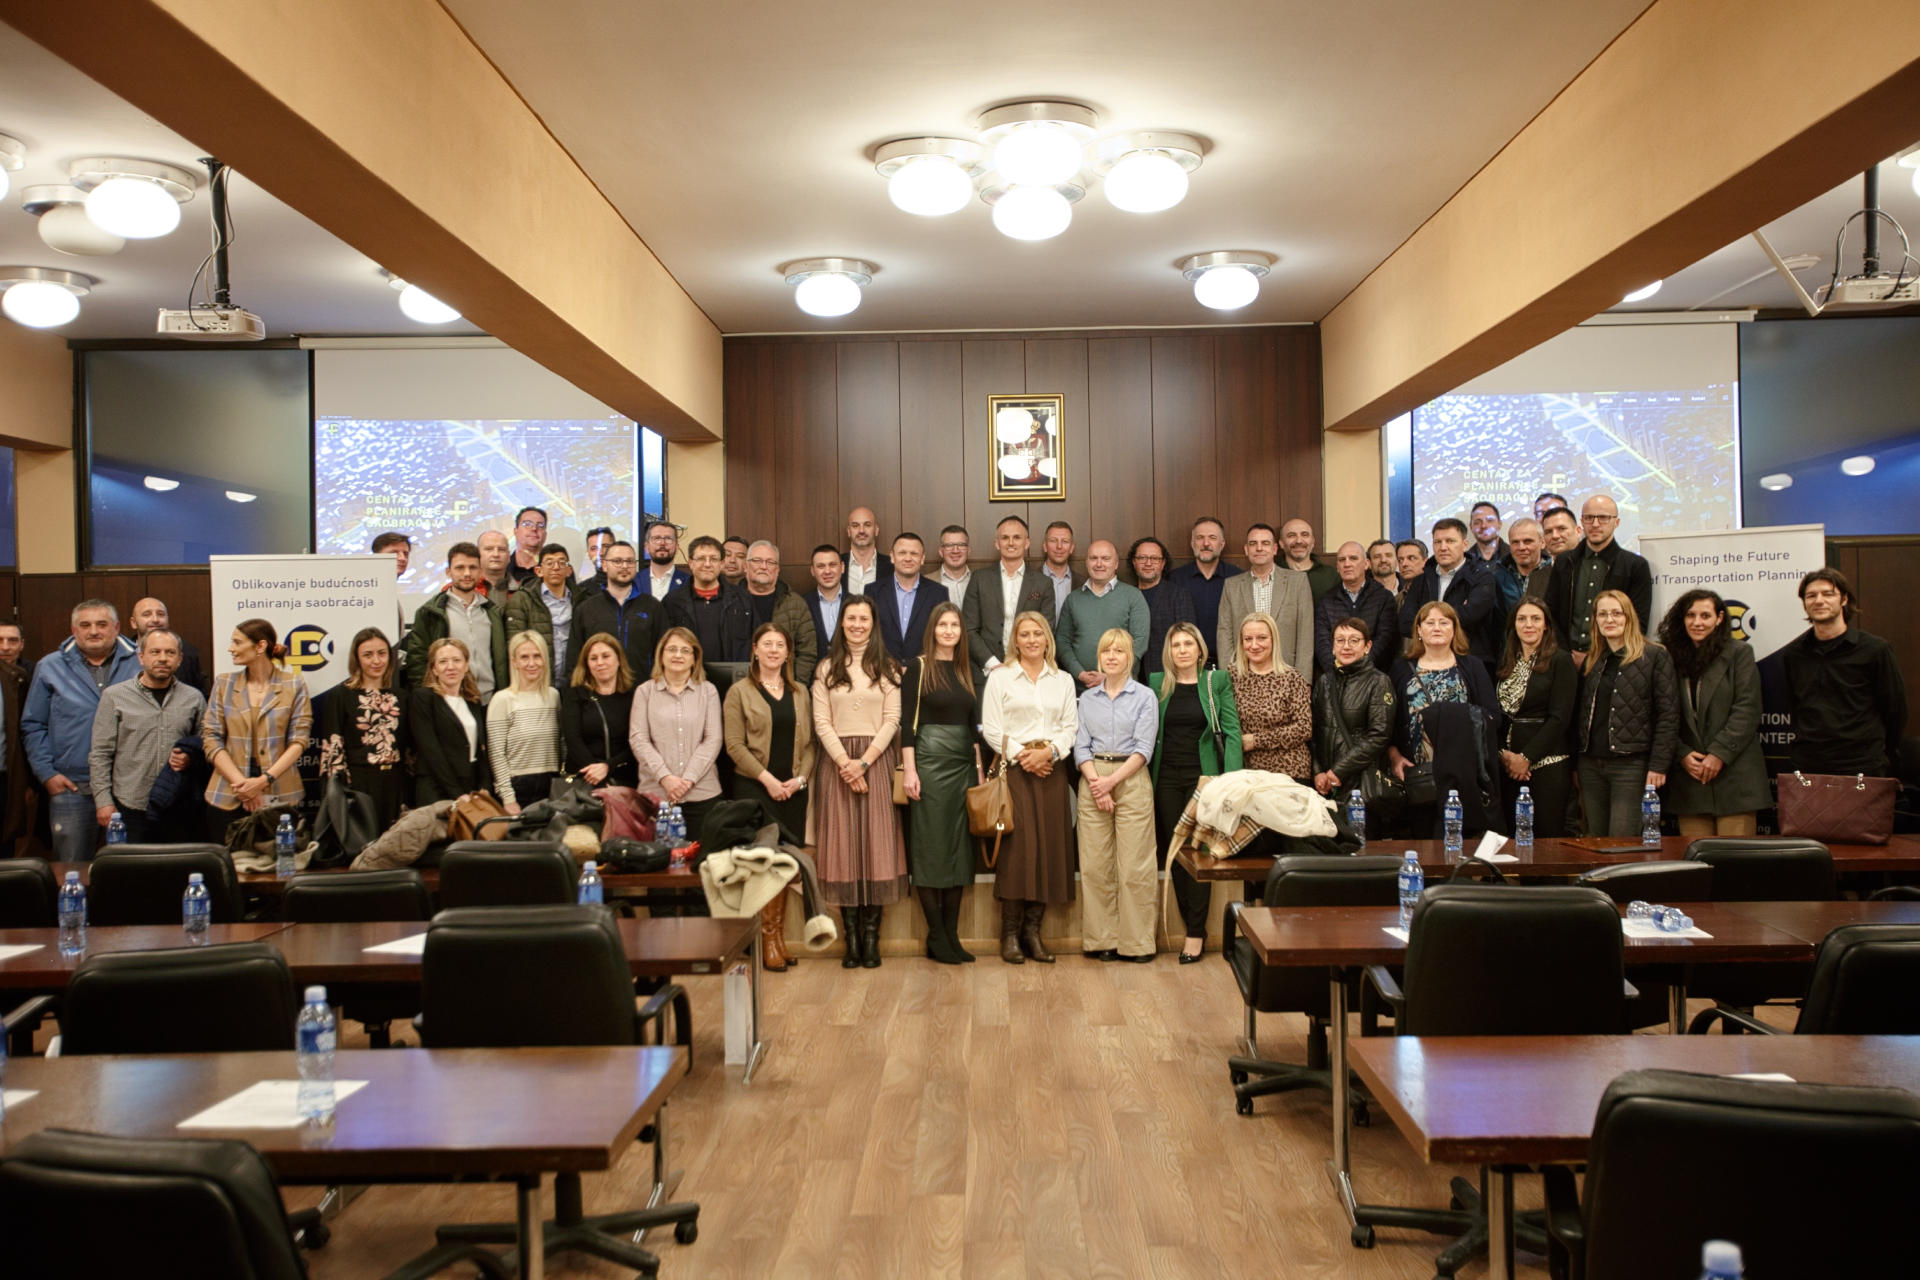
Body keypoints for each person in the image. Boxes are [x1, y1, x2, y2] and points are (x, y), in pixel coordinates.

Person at [810, 597, 907, 968]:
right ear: (842, 623)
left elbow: (892, 720)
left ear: (873, 623)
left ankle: (871, 938)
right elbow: (822, 723)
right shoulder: (826, 668)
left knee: (876, 846)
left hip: (876, 763)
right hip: (836, 766)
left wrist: (863, 762)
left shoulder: (888, 667)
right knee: (843, 850)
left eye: (863, 618)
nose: (857, 624)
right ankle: (850, 939)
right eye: (851, 618)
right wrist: (845, 764)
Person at [980, 610, 1079, 965]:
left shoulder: (1063, 680)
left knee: (1048, 850)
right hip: (1016, 773)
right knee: (1018, 852)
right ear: (1015, 641)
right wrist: (1024, 756)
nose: (1032, 640)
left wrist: (1049, 753)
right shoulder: (1001, 677)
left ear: (1047, 639)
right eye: (1025, 634)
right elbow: (991, 728)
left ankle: (1032, 933)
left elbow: (1070, 727)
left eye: (1038, 633)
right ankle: (1009, 934)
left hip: (1052, 770)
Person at [1150, 622, 1241, 962]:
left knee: (1200, 852)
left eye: (1189, 643)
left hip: (1205, 779)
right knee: (1177, 853)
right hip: (1166, 777)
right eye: (1176, 645)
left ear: (1200, 649)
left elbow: (1232, 732)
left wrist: (1230, 781)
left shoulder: (1216, 681)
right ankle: (1190, 922)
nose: (1183, 650)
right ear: (1169, 651)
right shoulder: (1157, 683)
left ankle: (1195, 933)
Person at [24, 600, 142, 861]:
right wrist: (47, 774)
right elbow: (33, 724)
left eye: (102, 624)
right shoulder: (50, 666)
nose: (94, 631)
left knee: (130, 869)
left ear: (117, 628)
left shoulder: (141, 661)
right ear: (73, 630)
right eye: (85, 625)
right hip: (72, 787)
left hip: (131, 786)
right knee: (72, 869)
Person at [898, 603, 978, 965]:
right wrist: (910, 771)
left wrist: (978, 770)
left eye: (954, 625)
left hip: (963, 766)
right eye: (942, 624)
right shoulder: (918, 667)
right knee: (930, 850)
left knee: (959, 851)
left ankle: (952, 935)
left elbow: (973, 727)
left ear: (961, 632)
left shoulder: (965, 669)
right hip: (929, 763)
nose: (948, 630)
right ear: (932, 629)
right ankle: (936, 935)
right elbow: (907, 724)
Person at [1074, 628, 1158, 963]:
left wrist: (1111, 783)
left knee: (1135, 866)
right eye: (1106, 650)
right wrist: (1098, 783)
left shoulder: (1145, 697)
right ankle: (1101, 940)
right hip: (1093, 777)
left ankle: (1137, 943)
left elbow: (1144, 748)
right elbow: (1081, 747)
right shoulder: (1087, 700)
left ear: (1130, 657)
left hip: (1131, 776)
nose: (1111, 656)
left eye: (1118, 651)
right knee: (1095, 866)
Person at [1386, 602, 1502, 839]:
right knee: (1423, 845)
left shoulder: (1472, 666)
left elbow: (1492, 716)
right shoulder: (1400, 669)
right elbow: (1387, 723)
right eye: (1429, 622)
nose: (1436, 628)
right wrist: (1394, 757)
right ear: (1418, 630)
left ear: (1454, 629)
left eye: (1444, 622)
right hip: (1419, 775)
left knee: (1461, 844)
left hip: (1464, 775)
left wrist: (1445, 716)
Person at [1659, 589, 1768, 837]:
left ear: (1719, 619)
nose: (1697, 622)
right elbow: (1662, 713)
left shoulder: (1739, 653)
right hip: (1690, 779)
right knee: (1696, 858)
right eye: (1691, 615)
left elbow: (1747, 709)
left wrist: (1718, 754)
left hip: (1735, 777)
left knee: (1735, 858)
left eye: (1705, 616)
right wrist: (1682, 754)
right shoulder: (1668, 657)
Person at [631, 628, 725, 917]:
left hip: (702, 795)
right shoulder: (645, 692)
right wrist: (666, 778)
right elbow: (638, 739)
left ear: (695, 658)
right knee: (660, 878)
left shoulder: (708, 691)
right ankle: (662, 939)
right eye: (672, 649)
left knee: (700, 877)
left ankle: (700, 940)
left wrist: (688, 780)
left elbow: (713, 739)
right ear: (661, 654)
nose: (678, 655)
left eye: (686, 650)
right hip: (657, 797)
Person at [1779, 568, 1906, 778]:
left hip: (1862, 763)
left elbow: (1895, 711)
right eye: (1811, 595)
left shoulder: (1875, 650)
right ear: (1804, 603)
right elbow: (1795, 706)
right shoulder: (1794, 654)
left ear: (1844, 599)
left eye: (1828, 594)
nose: (1819, 601)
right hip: (1809, 763)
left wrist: (1884, 753)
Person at [1576, 589, 1678, 837]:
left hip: (1631, 766)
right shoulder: (1593, 660)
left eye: (1616, 613)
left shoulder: (1654, 655)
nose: (1609, 619)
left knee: (1622, 841)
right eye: (1602, 614)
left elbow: (1668, 715)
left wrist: (1659, 765)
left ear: (1629, 617)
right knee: (1595, 840)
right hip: (1591, 765)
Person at [89, 628, 206, 844]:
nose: (163, 658)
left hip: (177, 806)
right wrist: (103, 802)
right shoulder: (114, 696)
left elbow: (205, 745)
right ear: (141, 657)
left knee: (177, 865)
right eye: (155, 652)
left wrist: (191, 758)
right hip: (130, 805)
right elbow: (100, 754)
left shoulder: (194, 698)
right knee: (133, 866)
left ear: (179, 659)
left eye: (170, 653)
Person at [203, 619, 313, 843]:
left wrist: (262, 782)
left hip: (279, 790)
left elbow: (299, 741)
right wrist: (243, 786)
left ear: (260, 646)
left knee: (278, 860)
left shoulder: (294, 685)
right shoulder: (224, 684)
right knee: (227, 862)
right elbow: (211, 738)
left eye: (237, 642)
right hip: (228, 791)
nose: (230, 648)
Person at [1494, 597, 1577, 839]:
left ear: (1546, 625)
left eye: (1535, 619)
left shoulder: (1560, 660)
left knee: (1546, 841)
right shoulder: (1506, 660)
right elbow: (1496, 714)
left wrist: (1526, 758)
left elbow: (1560, 718)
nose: (1528, 624)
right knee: (1514, 841)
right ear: (1514, 625)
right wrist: (1505, 755)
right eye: (1522, 619)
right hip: (1508, 766)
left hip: (1547, 765)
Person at [724, 621, 814, 841]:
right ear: (755, 649)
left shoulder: (801, 692)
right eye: (767, 644)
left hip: (793, 792)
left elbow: (810, 744)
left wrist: (801, 780)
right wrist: (769, 781)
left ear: (788, 653)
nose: (774, 650)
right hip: (754, 789)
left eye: (780, 645)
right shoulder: (739, 692)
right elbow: (734, 745)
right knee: (759, 856)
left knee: (792, 856)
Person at [1311, 617, 1395, 836]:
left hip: (1360, 784)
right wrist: (1318, 772)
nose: (1346, 646)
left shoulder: (1379, 682)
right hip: (1326, 786)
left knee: (1360, 847)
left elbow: (1379, 735)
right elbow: (1313, 733)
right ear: (1332, 647)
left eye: (1354, 640)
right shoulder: (1324, 682)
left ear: (1367, 646)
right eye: (1340, 640)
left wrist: (1338, 770)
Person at [1545, 494, 1654, 665]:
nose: (1595, 524)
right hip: (1566, 660)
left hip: (1612, 663)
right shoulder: (1565, 562)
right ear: (1582, 521)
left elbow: (1638, 623)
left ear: (1616, 522)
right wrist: (1565, 655)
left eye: (1603, 518)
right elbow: (1550, 613)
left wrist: (1598, 659)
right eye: (1589, 518)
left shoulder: (1634, 566)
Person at [318, 627, 408, 831]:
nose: (376, 661)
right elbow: (333, 748)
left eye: (382, 653)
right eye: (368, 655)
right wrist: (339, 791)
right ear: (357, 659)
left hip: (395, 784)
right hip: (357, 785)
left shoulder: (402, 696)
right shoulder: (340, 696)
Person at [404, 541, 508, 695]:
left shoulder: (492, 612)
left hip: (490, 700)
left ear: (480, 571)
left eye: (472, 567)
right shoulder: (430, 613)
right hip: (449, 700)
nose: (467, 573)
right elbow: (417, 661)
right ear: (448, 572)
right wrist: (429, 697)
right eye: (460, 568)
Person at [961, 515, 1056, 682]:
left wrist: (1022, 665)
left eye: (1017, 537)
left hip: (1028, 673)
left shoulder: (1043, 583)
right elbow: (969, 629)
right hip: (985, 673)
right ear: (997, 543)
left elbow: (1046, 629)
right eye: (1005, 538)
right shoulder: (979, 579)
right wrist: (992, 664)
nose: (1011, 543)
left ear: (1027, 543)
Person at [1398, 518, 1500, 664]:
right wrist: (1455, 614)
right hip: (1426, 660)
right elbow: (1405, 623)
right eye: (1437, 542)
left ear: (1465, 545)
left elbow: (1471, 616)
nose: (1443, 547)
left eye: (1450, 541)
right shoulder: (1421, 580)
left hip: (1469, 660)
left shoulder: (1482, 577)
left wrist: (1426, 621)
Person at [1217, 523, 1313, 672]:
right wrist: (1228, 676)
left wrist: (1303, 679)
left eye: (1265, 543)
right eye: (1253, 544)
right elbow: (1224, 634)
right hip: (1244, 674)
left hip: (1287, 673)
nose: (1259, 548)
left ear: (1274, 549)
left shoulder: (1298, 582)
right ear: (1246, 550)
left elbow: (1305, 635)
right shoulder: (1232, 586)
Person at [486, 630, 563, 815]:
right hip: (518, 787)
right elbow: (497, 754)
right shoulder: (502, 700)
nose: (531, 663)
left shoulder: (554, 696)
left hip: (552, 784)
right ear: (514, 662)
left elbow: (561, 744)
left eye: (537, 656)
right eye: (524, 657)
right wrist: (508, 798)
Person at [1055, 539, 1149, 689]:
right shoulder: (1073, 599)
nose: (1099, 564)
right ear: (1086, 562)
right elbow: (1062, 641)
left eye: (1106, 559)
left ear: (1116, 564)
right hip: (1080, 687)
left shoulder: (1133, 596)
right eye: (1094, 558)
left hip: (1121, 687)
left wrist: (1110, 676)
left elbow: (1140, 642)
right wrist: (1079, 673)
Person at [1231, 612, 1312, 780]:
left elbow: (1304, 728)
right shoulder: (1231, 677)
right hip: (1246, 772)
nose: (1254, 645)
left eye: (1261, 638)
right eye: (1248, 639)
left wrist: (1255, 740)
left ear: (1273, 640)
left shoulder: (1292, 678)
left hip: (1289, 769)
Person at [408, 637, 488, 805]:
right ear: (434, 669)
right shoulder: (423, 698)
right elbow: (431, 751)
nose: (450, 667)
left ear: (466, 666)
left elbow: (480, 749)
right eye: (443, 661)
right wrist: (457, 793)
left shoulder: (473, 701)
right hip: (436, 789)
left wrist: (484, 787)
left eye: (456, 660)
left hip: (470, 786)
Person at [567, 538, 659, 682]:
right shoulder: (586, 609)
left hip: (641, 690)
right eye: (617, 561)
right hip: (597, 690)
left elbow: (662, 654)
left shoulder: (652, 606)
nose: (624, 566)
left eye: (630, 561)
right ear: (604, 565)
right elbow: (574, 660)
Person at [562, 632, 639, 789]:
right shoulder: (575, 694)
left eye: (606, 656)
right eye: (593, 658)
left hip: (624, 779)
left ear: (619, 660)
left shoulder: (634, 695)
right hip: (584, 780)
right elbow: (573, 739)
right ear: (587, 664)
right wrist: (595, 772)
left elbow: (638, 741)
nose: (600, 663)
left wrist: (608, 767)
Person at [663, 535, 752, 662]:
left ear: (721, 564)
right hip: (686, 672)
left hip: (732, 673)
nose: (707, 564)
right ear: (691, 563)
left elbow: (755, 640)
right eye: (701, 558)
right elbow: (663, 645)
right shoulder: (672, 601)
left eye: (714, 559)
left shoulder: (742, 598)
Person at [1314, 540, 1398, 674]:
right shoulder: (1326, 601)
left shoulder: (1384, 598)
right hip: (1335, 676)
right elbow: (1322, 643)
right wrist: (1338, 671)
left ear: (1366, 564)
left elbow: (1385, 639)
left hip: (1374, 676)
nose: (1347, 564)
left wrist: (1360, 669)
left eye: (1353, 558)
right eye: (1342, 560)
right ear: (1337, 567)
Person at [742, 540, 819, 680]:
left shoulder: (795, 604)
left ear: (777, 570)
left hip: (785, 686)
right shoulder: (730, 602)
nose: (763, 566)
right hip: (741, 685)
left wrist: (793, 685)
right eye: (757, 561)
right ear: (745, 567)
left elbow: (807, 652)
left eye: (770, 562)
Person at [503, 542, 578, 684]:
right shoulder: (522, 600)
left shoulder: (580, 599)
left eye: (561, 563)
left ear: (569, 570)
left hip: (573, 682)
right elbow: (515, 647)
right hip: (537, 681)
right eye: (549, 563)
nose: (556, 567)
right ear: (539, 571)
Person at [1169, 516, 1241, 657]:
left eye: (1212, 538)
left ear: (1222, 544)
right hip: (1186, 660)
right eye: (1200, 538)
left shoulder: (1237, 578)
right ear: (1192, 543)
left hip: (1230, 660)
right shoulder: (1175, 579)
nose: (1206, 543)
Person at [864, 532, 940, 667]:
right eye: (902, 553)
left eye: (914, 554)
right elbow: (867, 634)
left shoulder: (938, 593)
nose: (908, 558)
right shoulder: (872, 591)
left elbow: (940, 637)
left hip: (924, 671)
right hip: (882, 670)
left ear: (922, 558)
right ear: (892, 557)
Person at [1128, 536, 1195, 680]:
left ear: (1163, 563)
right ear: (1134, 562)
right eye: (1142, 558)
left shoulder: (1178, 595)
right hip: (1130, 676)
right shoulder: (1126, 595)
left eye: (1154, 558)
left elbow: (1187, 639)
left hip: (1167, 676)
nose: (1148, 563)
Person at [128, 596, 207, 694]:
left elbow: (198, 694)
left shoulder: (187, 652)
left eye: (160, 614)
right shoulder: (122, 653)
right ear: (133, 623)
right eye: (147, 614)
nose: (155, 619)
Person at [802, 545, 849, 653]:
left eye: (832, 565)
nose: (827, 571)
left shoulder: (856, 603)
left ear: (842, 567)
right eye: (821, 566)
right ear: (812, 571)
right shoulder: (802, 604)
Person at [1500, 517, 1552, 610]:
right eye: (1515, 542)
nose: (1521, 547)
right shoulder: (1498, 577)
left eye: (1527, 541)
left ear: (1543, 543)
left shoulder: (1555, 573)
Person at [1280, 517, 1337, 601]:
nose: (1299, 541)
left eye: (1305, 535)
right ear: (1281, 543)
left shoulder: (1332, 575)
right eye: (1291, 535)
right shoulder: (1272, 575)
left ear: (1313, 542)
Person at [509, 506, 567, 589]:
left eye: (540, 525)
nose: (534, 528)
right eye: (527, 524)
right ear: (515, 531)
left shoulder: (561, 569)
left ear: (545, 535)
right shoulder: (501, 569)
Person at [372, 531, 413, 644]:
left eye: (405, 554)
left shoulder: (389, 591)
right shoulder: (368, 592)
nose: (402, 558)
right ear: (376, 557)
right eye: (394, 553)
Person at [842, 506, 891, 597]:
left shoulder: (892, 566)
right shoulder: (836, 565)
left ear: (876, 530)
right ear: (848, 531)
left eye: (867, 525)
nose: (861, 530)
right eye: (855, 525)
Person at [642, 520, 691, 601]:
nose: (662, 543)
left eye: (668, 539)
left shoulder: (689, 583)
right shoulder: (634, 582)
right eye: (656, 538)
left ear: (677, 547)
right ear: (647, 547)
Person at [1039, 521, 1077, 623]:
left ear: (1071, 548)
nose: (1059, 546)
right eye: (1053, 540)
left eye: (1065, 541)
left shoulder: (1083, 583)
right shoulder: (1029, 580)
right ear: (1045, 546)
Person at [934, 525, 972, 606]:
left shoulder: (981, 582)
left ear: (968, 550)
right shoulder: (925, 582)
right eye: (949, 545)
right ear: (941, 551)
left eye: (961, 545)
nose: (955, 551)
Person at [1469, 501, 1510, 568]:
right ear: (1471, 527)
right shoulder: (1463, 560)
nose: (1483, 526)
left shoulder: (1514, 556)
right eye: (1477, 522)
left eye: (1489, 520)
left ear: (1499, 524)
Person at [476, 529, 514, 598]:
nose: (496, 554)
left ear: (508, 556)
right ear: (477, 554)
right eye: (489, 549)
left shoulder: (524, 593)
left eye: (501, 549)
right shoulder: (461, 590)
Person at [1394, 539, 1428, 609]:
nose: (1404, 564)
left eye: (1411, 558)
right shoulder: (1396, 601)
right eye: (1400, 560)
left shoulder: (1436, 593)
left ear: (1426, 562)